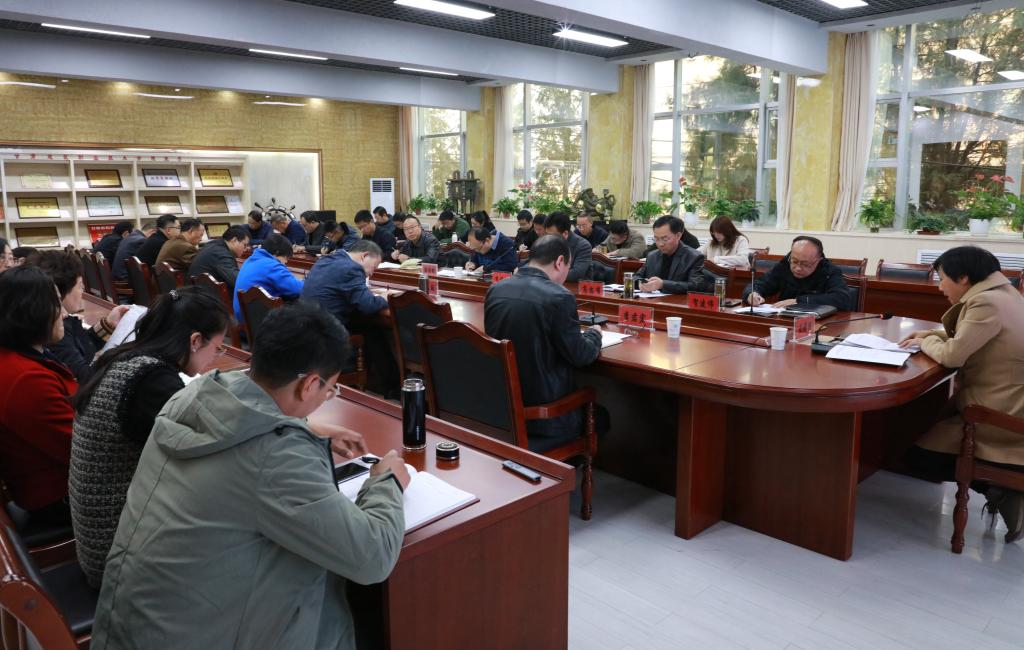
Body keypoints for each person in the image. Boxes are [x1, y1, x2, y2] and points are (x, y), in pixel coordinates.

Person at [90, 302, 407, 648]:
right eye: (330, 390)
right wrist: (385, 481)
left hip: (131, 625)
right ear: (309, 384)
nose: (327, 398)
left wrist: (305, 430)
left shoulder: (191, 397)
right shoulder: (276, 456)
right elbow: (372, 557)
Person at [70, 287, 231, 588]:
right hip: (118, 559)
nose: (215, 358)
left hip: (98, 540)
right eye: (218, 348)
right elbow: (207, 450)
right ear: (195, 340)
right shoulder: (152, 381)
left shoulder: (123, 358)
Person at [898, 246, 1024, 543]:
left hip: (998, 414)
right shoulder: (1007, 293)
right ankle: (1004, 489)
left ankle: (1004, 488)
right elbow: (978, 335)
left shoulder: (985, 302)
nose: (939, 286)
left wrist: (924, 343)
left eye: (942, 278)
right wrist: (931, 335)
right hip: (1011, 402)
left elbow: (953, 356)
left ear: (964, 278)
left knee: (919, 456)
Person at [484, 235, 602, 451]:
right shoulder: (560, 297)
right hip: (545, 418)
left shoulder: (496, 290)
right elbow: (581, 356)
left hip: (501, 412)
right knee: (602, 416)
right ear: (559, 262)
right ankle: (568, 468)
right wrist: (594, 334)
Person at [0, 266, 76, 528]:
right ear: (32, 311)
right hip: (62, 499)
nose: (64, 313)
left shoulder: (21, 356)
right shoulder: (26, 379)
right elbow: (83, 450)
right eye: (56, 304)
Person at [33, 251, 130, 383]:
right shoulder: (55, 330)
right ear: (60, 291)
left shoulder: (64, 322)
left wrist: (108, 324)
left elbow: (82, 345)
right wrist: (120, 353)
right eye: (79, 285)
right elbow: (84, 377)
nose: (83, 290)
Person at [742, 236, 851, 310]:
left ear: (819, 260)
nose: (798, 268)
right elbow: (761, 283)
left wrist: (799, 301)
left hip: (816, 324)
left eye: (805, 264)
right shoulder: (784, 265)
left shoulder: (830, 271)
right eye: (794, 261)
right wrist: (751, 294)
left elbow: (842, 299)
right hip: (784, 321)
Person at [301, 240, 387, 329]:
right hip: (325, 330)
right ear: (365, 256)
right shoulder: (352, 269)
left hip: (304, 324)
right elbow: (368, 306)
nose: (372, 273)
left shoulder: (326, 259)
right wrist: (384, 297)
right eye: (374, 267)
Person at [233, 233, 303, 325]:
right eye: (286, 258)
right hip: (259, 324)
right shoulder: (271, 265)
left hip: (244, 320)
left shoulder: (250, 260)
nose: (286, 262)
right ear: (277, 253)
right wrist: (308, 280)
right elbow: (297, 289)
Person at [634, 216, 711, 295]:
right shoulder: (652, 256)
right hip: (652, 300)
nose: (660, 244)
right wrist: (641, 283)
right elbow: (635, 277)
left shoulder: (693, 257)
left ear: (678, 236)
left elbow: (696, 286)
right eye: (656, 239)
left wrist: (663, 284)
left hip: (678, 301)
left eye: (665, 239)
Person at [188, 225, 250, 292]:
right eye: (245, 245)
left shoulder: (214, 244)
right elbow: (239, 282)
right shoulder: (222, 254)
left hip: (200, 291)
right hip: (206, 294)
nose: (246, 249)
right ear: (234, 240)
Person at [544, 211, 592, 282]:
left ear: (565, 233)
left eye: (552, 236)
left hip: (575, 286)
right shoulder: (547, 242)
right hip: (550, 284)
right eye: (547, 234)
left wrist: (547, 273)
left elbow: (575, 274)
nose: (549, 238)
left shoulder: (583, 246)